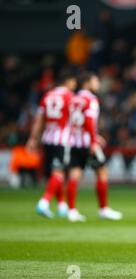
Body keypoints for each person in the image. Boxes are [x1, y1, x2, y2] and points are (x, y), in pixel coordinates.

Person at [65, 72, 123, 222]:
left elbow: (73, 121)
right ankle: (103, 209)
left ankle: (71, 210)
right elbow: (89, 120)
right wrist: (93, 140)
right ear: (87, 83)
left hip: (74, 141)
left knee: (74, 174)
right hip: (87, 142)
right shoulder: (91, 99)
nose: (98, 84)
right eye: (95, 81)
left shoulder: (74, 99)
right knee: (102, 172)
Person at [27, 71, 76, 219]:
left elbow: (39, 119)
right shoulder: (69, 97)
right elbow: (76, 118)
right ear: (67, 82)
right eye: (73, 82)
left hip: (47, 138)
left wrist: (33, 138)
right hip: (62, 139)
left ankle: (61, 205)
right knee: (59, 173)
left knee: (55, 174)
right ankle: (44, 202)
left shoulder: (47, 96)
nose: (74, 85)